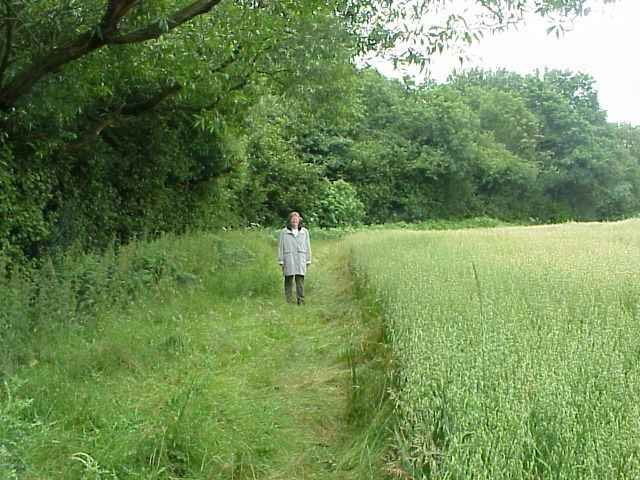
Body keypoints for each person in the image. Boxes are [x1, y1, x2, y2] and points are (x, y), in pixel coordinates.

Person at [277, 211, 311, 304]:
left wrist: (308, 259)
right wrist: (281, 260)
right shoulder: (284, 232)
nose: (295, 221)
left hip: (301, 258)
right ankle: (288, 300)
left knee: (300, 280)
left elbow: (308, 246)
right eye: (293, 219)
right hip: (288, 258)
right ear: (290, 220)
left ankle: (301, 300)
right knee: (288, 279)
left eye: (296, 219)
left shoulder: (304, 232)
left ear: (299, 220)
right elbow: (280, 246)